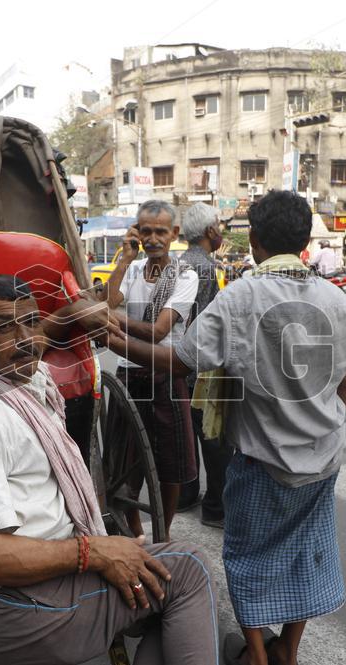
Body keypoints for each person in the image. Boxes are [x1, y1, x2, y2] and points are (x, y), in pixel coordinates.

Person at [107, 190, 346, 665]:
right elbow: (343, 386)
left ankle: (259, 657)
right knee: (304, 554)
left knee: (247, 558)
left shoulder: (241, 296)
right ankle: (288, 650)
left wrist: (110, 338)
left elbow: (178, 363)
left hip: (262, 460)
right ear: (305, 242)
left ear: (257, 240)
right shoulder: (340, 301)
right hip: (324, 460)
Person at [0, 275, 218, 665]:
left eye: (31, 322)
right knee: (189, 571)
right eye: (4, 327)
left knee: (161, 585)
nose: (25, 339)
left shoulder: (19, 376)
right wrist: (95, 551)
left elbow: (33, 334)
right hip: (13, 614)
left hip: (33, 596)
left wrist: (71, 311)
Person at [105, 200, 199, 538]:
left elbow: (159, 331)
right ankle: (134, 528)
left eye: (161, 231)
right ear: (137, 233)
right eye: (146, 231)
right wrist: (125, 258)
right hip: (129, 375)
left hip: (165, 375)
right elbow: (109, 300)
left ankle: (164, 531)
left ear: (174, 233)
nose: (153, 238)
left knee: (169, 465)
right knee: (125, 460)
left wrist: (114, 320)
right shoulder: (131, 269)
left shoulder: (185, 276)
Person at [175, 203, 232, 528]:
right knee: (214, 440)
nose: (222, 230)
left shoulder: (180, 262)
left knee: (187, 436)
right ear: (210, 231)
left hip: (178, 363)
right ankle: (215, 508)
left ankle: (186, 494)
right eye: (220, 225)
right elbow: (207, 323)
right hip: (200, 367)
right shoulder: (206, 268)